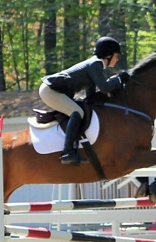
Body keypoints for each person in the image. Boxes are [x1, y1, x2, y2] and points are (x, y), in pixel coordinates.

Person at [39, 36, 130, 165]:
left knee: (80, 109)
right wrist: (119, 79)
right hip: (51, 91)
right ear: (108, 55)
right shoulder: (95, 64)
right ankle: (68, 152)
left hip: (54, 90)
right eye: (116, 56)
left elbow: (90, 93)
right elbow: (104, 88)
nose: (117, 59)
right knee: (77, 112)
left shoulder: (95, 65)